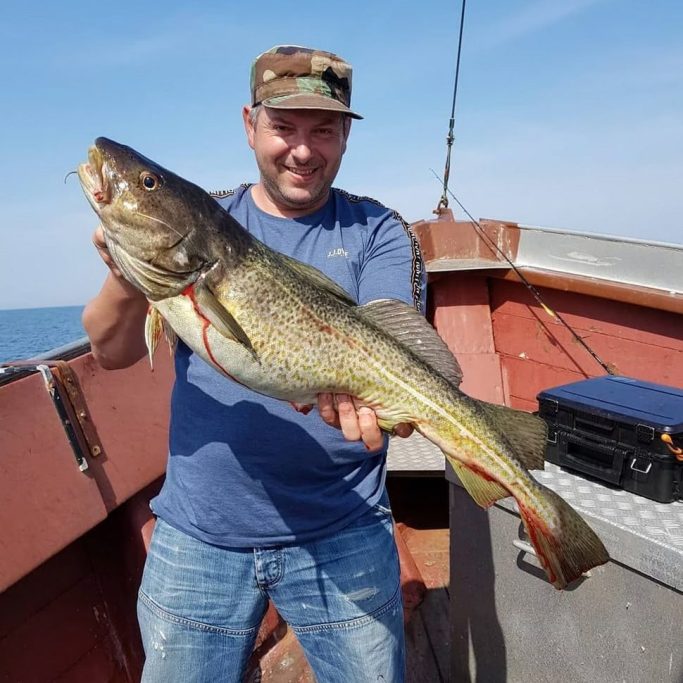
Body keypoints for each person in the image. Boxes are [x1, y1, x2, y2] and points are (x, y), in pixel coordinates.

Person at [82, 44, 426, 682]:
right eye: (283, 126)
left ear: (345, 136)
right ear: (250, 124)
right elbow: (112, 349)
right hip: (199, 531)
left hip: (344, 523)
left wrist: (386, 400)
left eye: (323, 129)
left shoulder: (380, 230)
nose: (302, 149)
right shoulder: (209, 220)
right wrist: (130, 270)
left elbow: (394, 342)